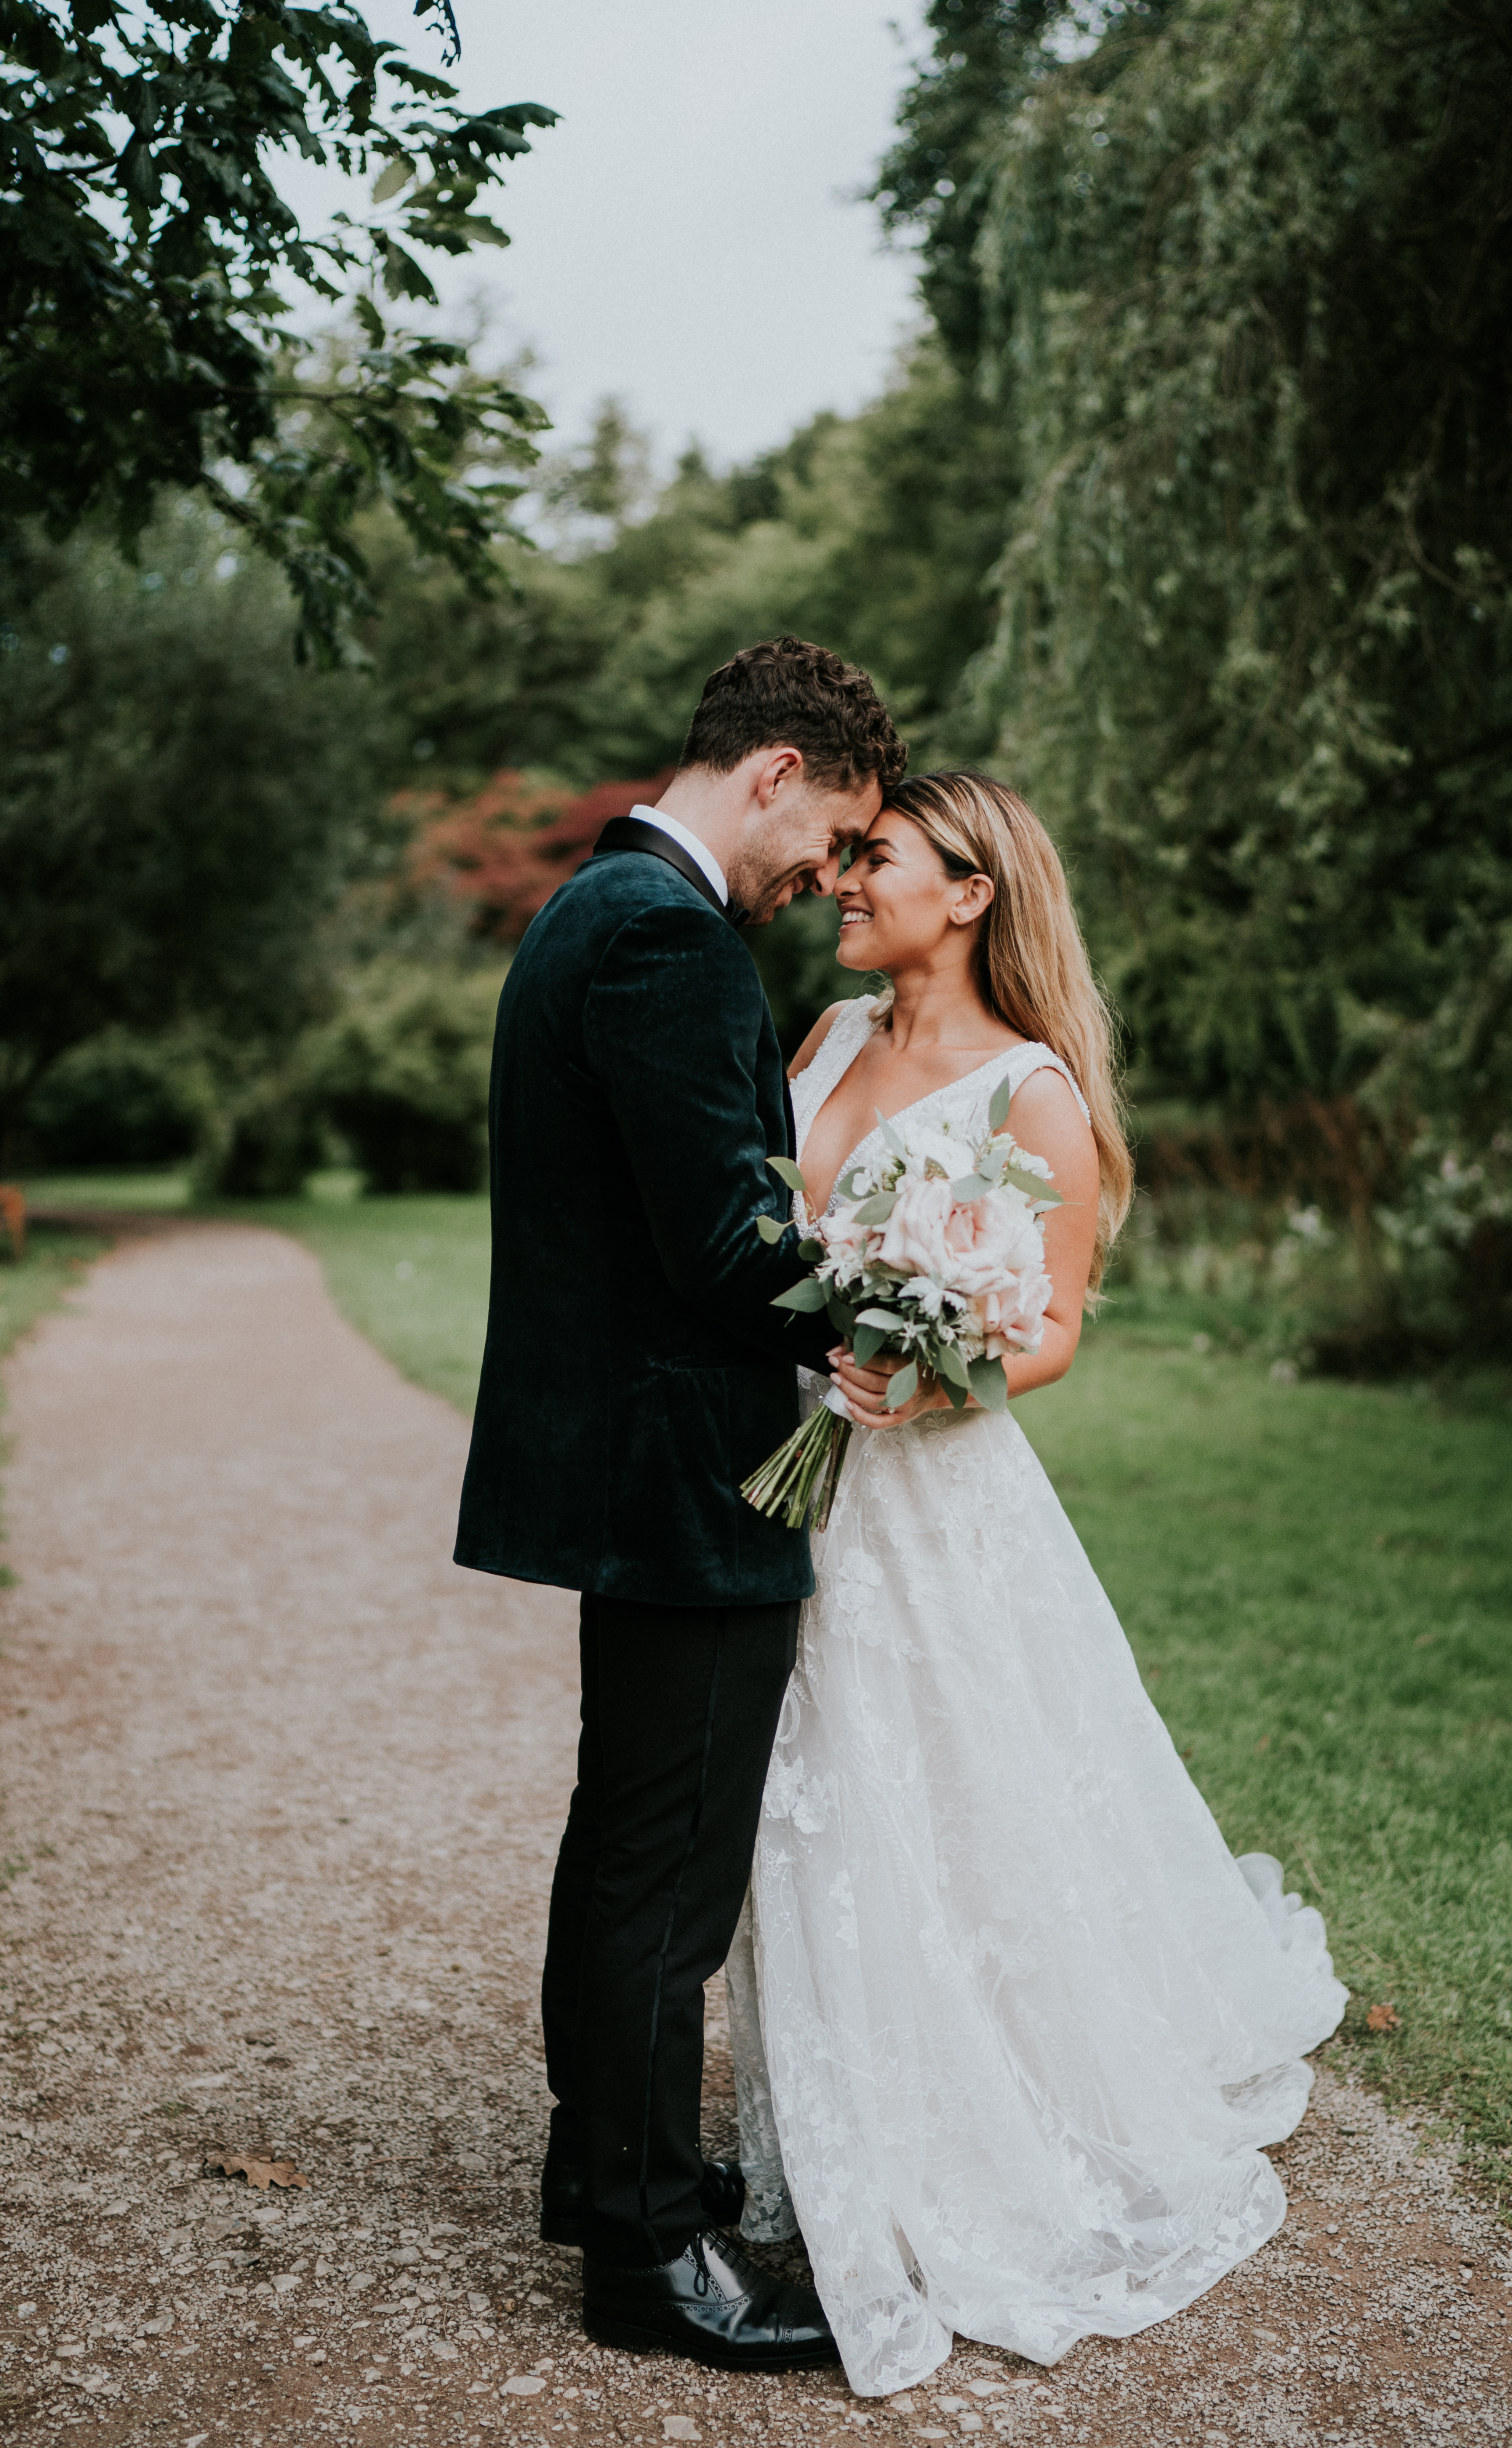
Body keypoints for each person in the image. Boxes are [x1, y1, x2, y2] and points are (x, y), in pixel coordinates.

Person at [724, 771, 1349, 2397]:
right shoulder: (830, 1040)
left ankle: (971, 2127)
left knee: (933, 1793)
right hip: (788, 1465)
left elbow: (1054, 1323)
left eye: (878, 861)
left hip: (927, 1491)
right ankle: (830, 2102)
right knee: (806, 1800)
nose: (845, 882)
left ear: (973, 889)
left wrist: (937, 1375)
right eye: (849, 858)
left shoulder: (1033, 1095)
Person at [454, 636, 906, 2372]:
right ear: (777, 769)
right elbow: (724, 1245)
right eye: (836, 831)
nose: (826, 874)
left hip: (632, 1460)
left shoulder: (600, 906)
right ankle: (650, 2257)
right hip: (680, 1474)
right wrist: (903, 1301)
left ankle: (607, 2165)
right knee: (667, 1870)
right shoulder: (667, 934)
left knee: (627, 1838)